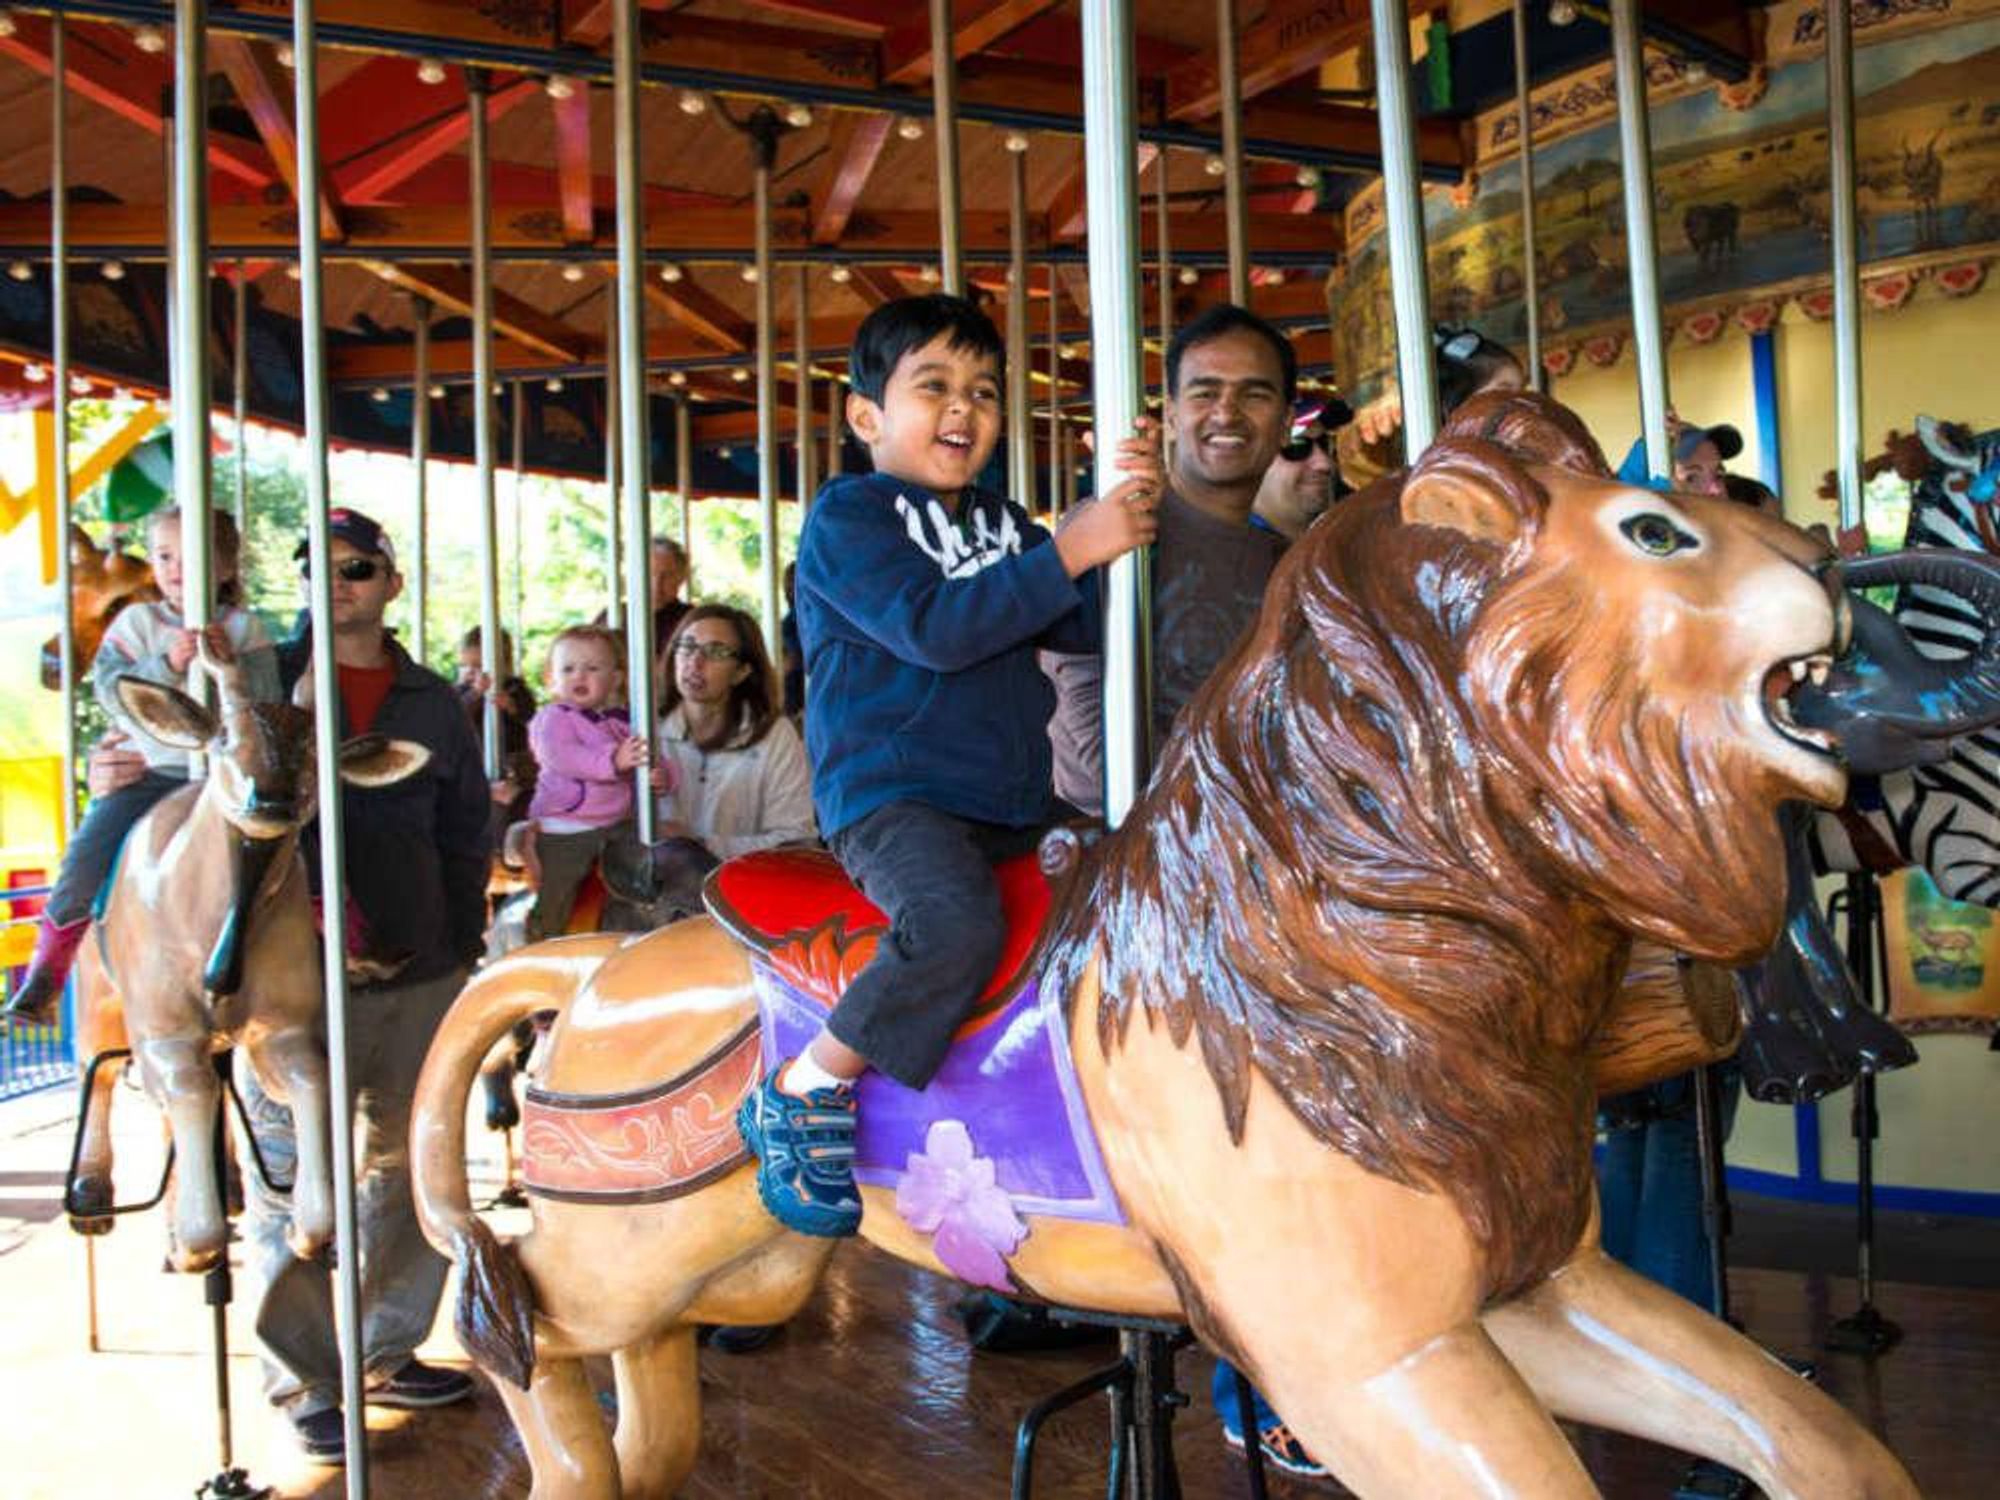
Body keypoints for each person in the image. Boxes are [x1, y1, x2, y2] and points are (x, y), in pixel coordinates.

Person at [737, 292, 1161, 1239]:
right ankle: (804, 1087)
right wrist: (1072, 546)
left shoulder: (1006, 524)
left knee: (1116, 894)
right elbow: (931, 631)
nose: (963, 407)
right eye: (934, 387)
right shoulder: (852, 519)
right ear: (867, 416)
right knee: (954, 923)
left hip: (1010, 794)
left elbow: (1074, 622)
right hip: (895, 795)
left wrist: (1118, 526)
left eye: (983, 390)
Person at [242, 507, 491, 1465]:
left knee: (406, 1157)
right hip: (288, 971)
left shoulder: (430, 701)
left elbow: (465, 821)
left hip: (414, 954)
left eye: (354, 566)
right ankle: (305, 1376)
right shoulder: (264, 678)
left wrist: (462, 934)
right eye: (317, 566)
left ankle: (383, 1347)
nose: (334, 581)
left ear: (390, 583)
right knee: (288, 1170)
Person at [6, 506, 276, 1023]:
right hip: (153, 771)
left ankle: (334, 928)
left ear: (224, 566)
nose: (177, 567)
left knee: (294, 839)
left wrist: (230, 669)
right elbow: (111, 692)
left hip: (226, 774)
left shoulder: (246, 628)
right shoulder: (139, 623)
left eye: (192, 556)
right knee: (88, 853)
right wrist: (165, 665)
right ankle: (48, 972)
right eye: (165, 556)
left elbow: (265, 705)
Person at [1046, 302, 1298, 815]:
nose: (1227, 412)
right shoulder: (1116, 524)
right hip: (1119, 837)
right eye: (1205, 393)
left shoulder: (1287, 566)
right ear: (1173, 413)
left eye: (1255, 394)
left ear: (1287, 422)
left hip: (1247, 832)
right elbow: (1100, 754)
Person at [521, 624, 666, 943]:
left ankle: (646, 931)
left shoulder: (624, 721)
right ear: (550, 678)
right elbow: (563, 757)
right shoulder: (553, 718)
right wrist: (613, 761)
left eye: (592, 668)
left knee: (645, 874)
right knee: (560, 885)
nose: (579, 676)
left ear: (616, 678)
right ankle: (542, 936)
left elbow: (652, 755)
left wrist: (661, 776)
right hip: (566, 827)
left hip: (617, 824)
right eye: (568, 669)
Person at [1250, 397, 1349, 542]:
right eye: (1297, 447)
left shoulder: (1341, 543)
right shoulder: (1227, 556)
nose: (1325, 464)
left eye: (1325, 444)